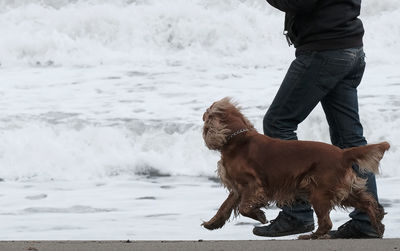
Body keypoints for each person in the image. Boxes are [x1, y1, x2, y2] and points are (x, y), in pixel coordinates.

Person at [253, 0, 383, 238]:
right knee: (350, 139)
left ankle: (296, 213)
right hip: (350, 48)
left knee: (278, 123)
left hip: (324, 51)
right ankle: (367, 221)